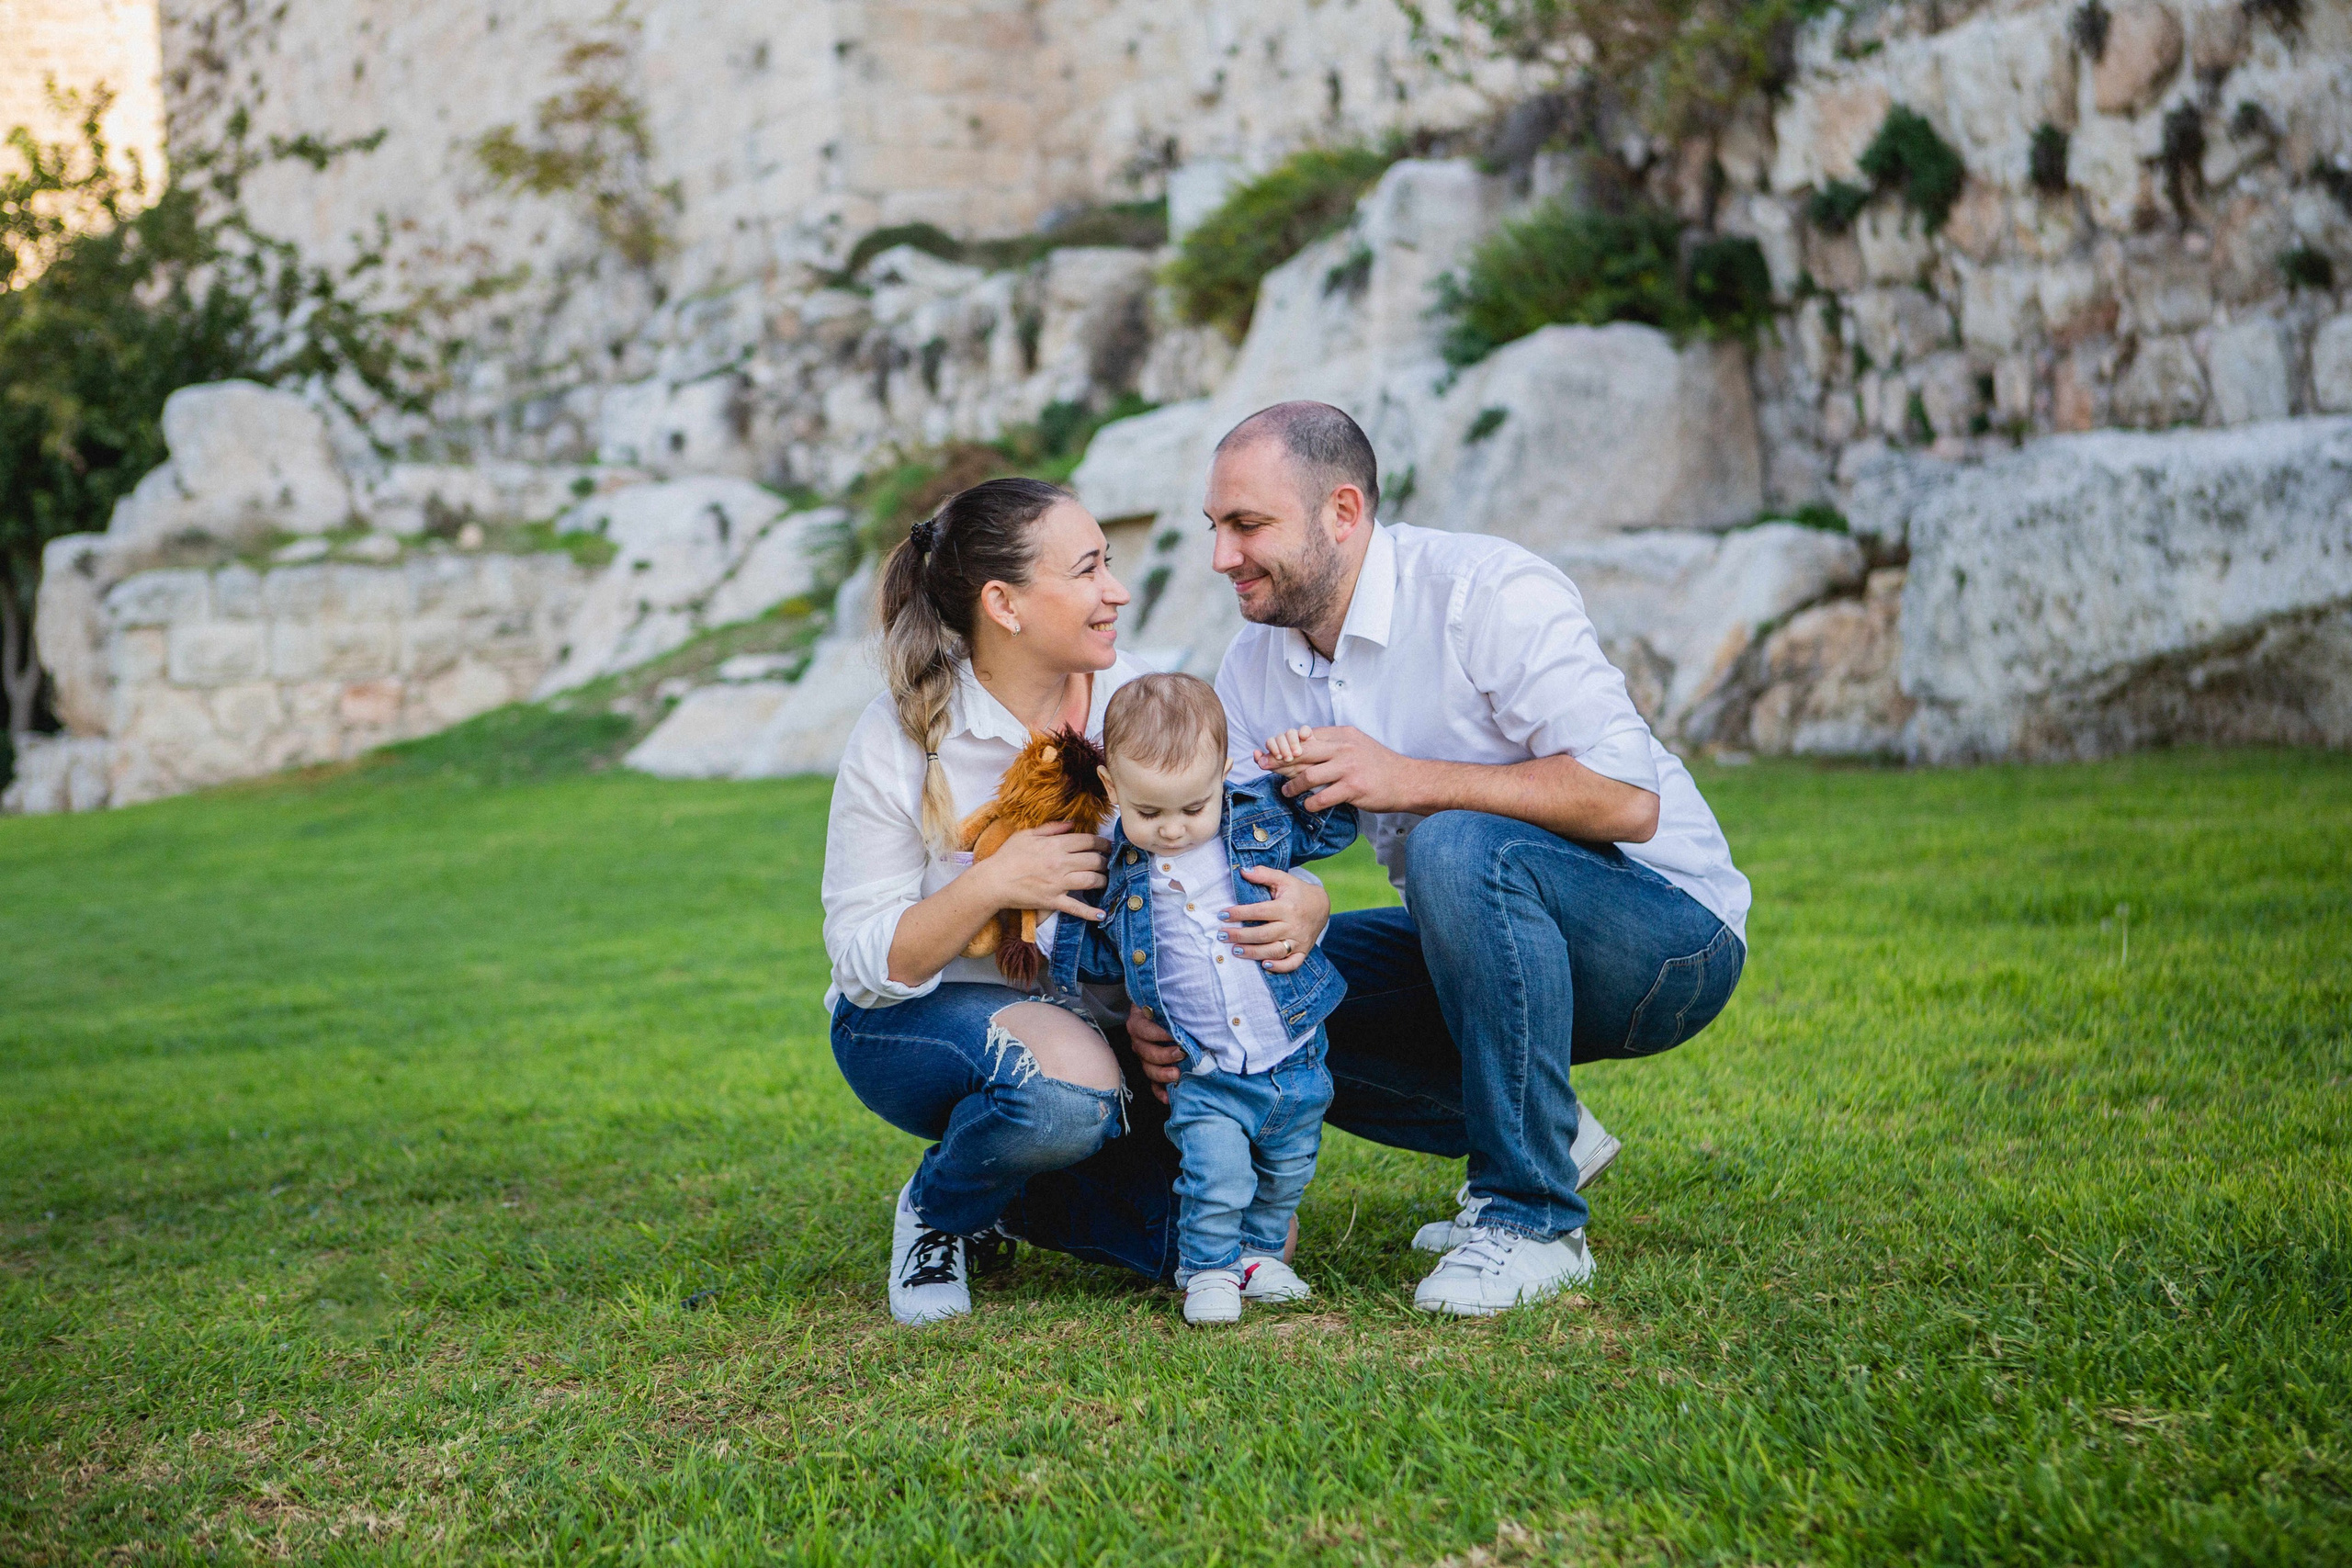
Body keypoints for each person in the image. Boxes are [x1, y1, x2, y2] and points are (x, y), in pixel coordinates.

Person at [1125, 400, 1752, 1316]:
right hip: (1478, 943)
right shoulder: (1253, 665)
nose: (1223, 557)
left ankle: (1533, 1220)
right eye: (1216, 528)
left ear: (1342, 512)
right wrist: (1198, 976)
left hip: (1667, 939)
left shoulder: (1483, 591)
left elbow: (1629, 800)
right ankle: (1541, 1134)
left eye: (1248, 527)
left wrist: (1407, 778)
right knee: (1261, 982)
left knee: (1456, 843)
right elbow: (1224, 845)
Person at [821, 477, 1333, 1325]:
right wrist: (993, 880)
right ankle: (937, 1207)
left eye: (1111, 564)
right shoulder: (902, 732)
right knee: (1068, 1092)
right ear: (1005, 604)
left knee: (1217, 1243)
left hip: (1094, 1024)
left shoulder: (1147, 701)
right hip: (908, 1024)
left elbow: (1234, 848)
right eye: (1089, 568)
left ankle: (1006, 1195)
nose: (1117, 591)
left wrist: (1305, 901)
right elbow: (866, 961)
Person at [1046, 674, 1357, 1324]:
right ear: (1112, 789)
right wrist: (1048, 918)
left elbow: (1333, 828)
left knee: (1288, 1166)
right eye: (1149, 812)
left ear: (1223, 773)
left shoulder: (1257, 824)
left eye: (1192, 807)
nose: (1172, 829)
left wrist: (1304, 771)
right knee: (1214, 1177)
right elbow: (1091, 954)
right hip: (1204, 1066)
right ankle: (1208, 1270)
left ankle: (1260, 1253)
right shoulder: (1120, 878)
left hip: (1293, 1050)